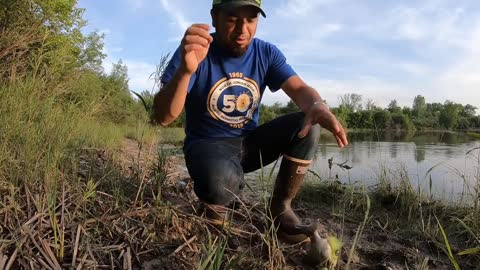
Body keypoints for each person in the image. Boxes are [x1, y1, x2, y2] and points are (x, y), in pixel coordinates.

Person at [153, 0, 348, 243]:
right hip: (207, 145)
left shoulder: (266, 53)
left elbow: (299, 89)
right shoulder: (196, 51)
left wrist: (318, 105)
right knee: (219, 183)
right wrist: (185, 70)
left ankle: (281, 209)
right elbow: (163, 116)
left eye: (251, 20)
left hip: (248, 144)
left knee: (308, 124)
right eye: (233, 19)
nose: (242, 30)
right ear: (214, 17)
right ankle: (215, 205)